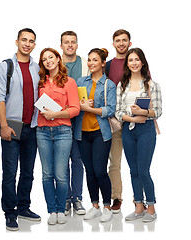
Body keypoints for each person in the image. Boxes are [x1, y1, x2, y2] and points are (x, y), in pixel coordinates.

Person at [0, 28, 41, 231]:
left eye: (31, 41)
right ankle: (10, 212)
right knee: (10, 173)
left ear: (34, 44)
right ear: (17, 42)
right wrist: (3, 125)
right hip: (11, 127)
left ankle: (24, 207)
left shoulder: (37, 67)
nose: (27, 44)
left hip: (32, 127)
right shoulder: (5, 66)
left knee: (28, 173)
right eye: (24, 40)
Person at [116, 48, 162, 222]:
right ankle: (138, 207)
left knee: (143, 171)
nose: (134, 63)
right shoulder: (122, 85)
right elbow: (118, 111)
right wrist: (132, 117)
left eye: (137, 60)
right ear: (127, 63)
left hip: (146, 130)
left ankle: (151, 208)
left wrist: (143, 112)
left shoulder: (151, 85)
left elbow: (158, 111)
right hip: (128, 129)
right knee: (133, 171)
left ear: (142, 62)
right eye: (130, 60)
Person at [36, 48, 80, 225]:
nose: (48, 61)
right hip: (42, 132)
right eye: (44, 59)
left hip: (63, 132)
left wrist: (56, 113)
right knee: (47, 174)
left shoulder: (69, 82)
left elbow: (75, 109)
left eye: (51, 57)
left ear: (58, 59)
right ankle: (51, 210)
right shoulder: (40, 82)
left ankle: (61, 209)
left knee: (61, 174)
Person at [74, 48, 116, 222]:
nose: (91, 63)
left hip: (100, 133)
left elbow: (110, 109)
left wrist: (89, 108)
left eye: (95, 60)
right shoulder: (81, 81)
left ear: (102, 63)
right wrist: (81, 104)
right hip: (82, 133)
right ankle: (95, 206)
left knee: (100, 170)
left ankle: (107, 206)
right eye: (89, 60)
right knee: (89, 171)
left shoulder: (109, 85)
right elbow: (73, 103)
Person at [60, 31, 88, 215]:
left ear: (77, 45)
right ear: (61, 45)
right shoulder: (54, 63)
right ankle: (65, 198)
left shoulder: (86, 63)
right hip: (60, 120)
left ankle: (77, 198)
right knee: (62, 163)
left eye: (73, 42)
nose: (70, 45)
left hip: (81, 120)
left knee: (77, 160)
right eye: (66, 42)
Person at [105, 29, 132, 213]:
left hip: (133, 120)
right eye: (117, 40)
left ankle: (141, 200)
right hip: (113, 121)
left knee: (137, 164)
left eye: (124, 40)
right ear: (113, 43)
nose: (121, 43)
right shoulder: (107, 65)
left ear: (130, 43)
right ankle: (116, 197)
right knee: (114, 162)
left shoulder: (135, 62)